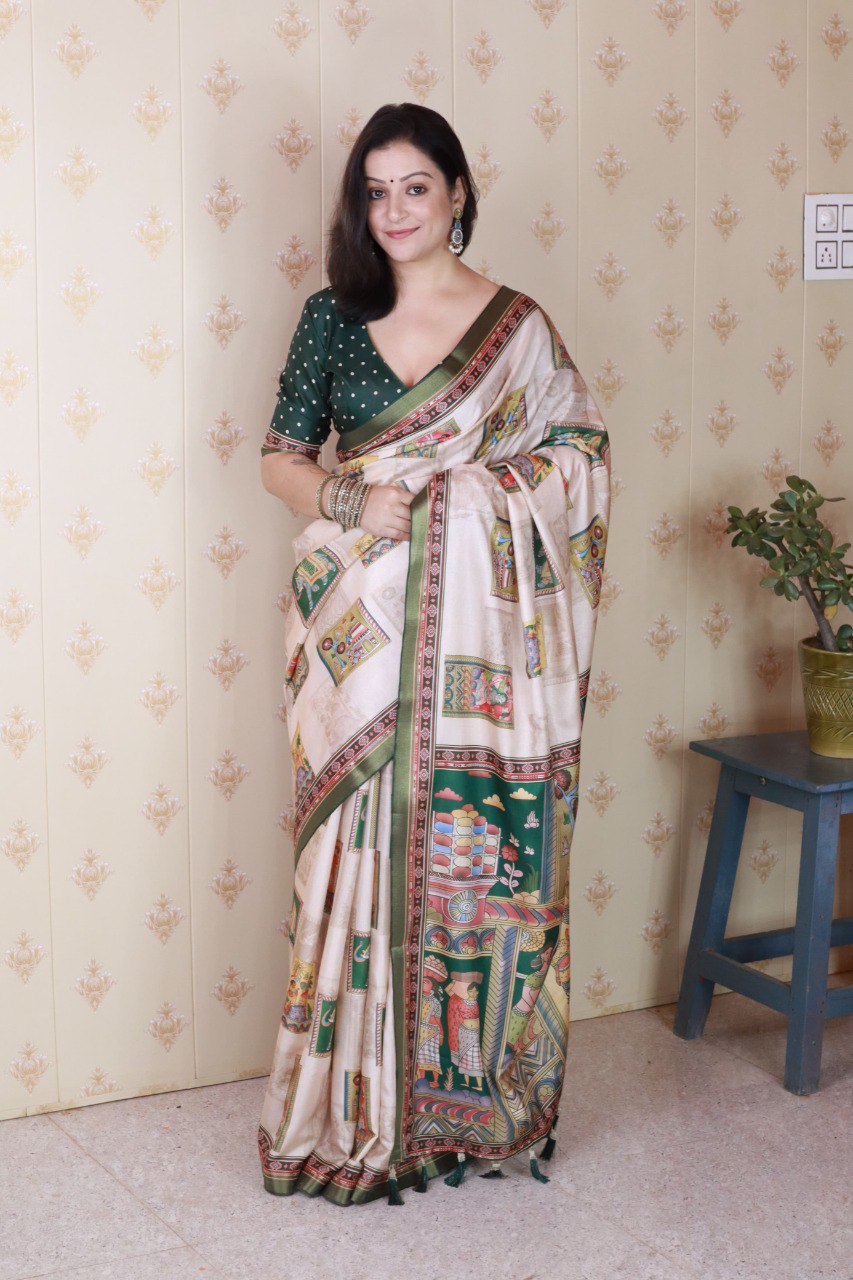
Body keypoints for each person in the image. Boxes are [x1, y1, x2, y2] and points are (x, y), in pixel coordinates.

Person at [257, 101, 611, 1207]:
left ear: (457, 191)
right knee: (347, 857)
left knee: (477, 852)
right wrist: (363, 499)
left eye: (416, 185)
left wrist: (461, 499)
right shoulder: (332, 315)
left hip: (480, 659)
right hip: (357, 632)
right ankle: (343, 1112)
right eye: (375, 190)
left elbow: (579, 461)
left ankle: (471, 1109)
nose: (395, 209)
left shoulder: (518, 329)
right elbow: (279, 460)